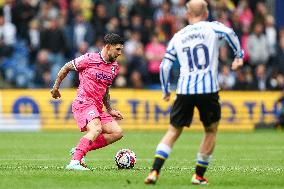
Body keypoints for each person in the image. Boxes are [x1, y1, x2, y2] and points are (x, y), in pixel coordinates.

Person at [144, 0, 244, 185]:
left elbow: (164, 65)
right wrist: (239, 56)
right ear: (206, 13)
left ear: (187, 14)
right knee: (210, 130)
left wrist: (166, 90)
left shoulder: (178, 36)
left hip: (184, 89)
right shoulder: (213, 28)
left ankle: (154, 171)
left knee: (173, 131)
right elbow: (230, 33)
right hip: (208, 89)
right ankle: (198, 175)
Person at [50, 33, 124, 171]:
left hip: (97, 107)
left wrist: (110, 109)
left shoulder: (114, 68)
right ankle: (74, 163)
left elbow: (105, 89)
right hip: (83, 102)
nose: (120, 53)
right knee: (96, 129)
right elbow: (66, 67)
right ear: (108, 47)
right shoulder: (89, 59)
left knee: (117, 132)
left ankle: (79, 149)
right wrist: (55, 88)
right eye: (118, 49)